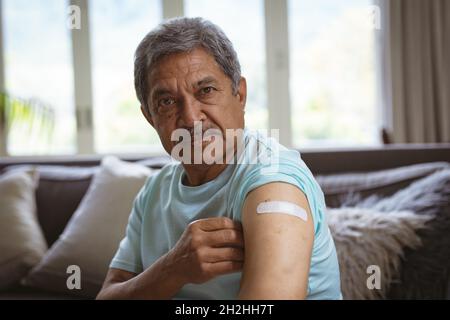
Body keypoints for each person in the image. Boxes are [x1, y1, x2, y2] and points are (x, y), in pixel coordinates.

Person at [96, 17, 341, 300]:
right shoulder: (154, 191)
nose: (190, 118)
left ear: (240, 95)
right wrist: (172, 269)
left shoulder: (273, 180)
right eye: (166, 102)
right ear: (150, 118)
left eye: (206, 91)